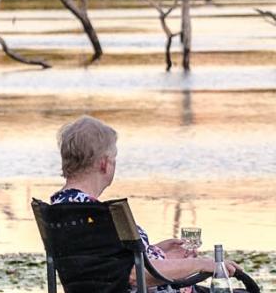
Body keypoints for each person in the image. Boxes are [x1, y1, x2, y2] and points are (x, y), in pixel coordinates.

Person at [52, 115, 239, 293]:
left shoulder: (61, 209)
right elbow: (134, 275)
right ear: (104, 164)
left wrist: (157, 251)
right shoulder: (97, 215)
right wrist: (201, 264)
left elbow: (108, 265)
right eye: (114, 158)